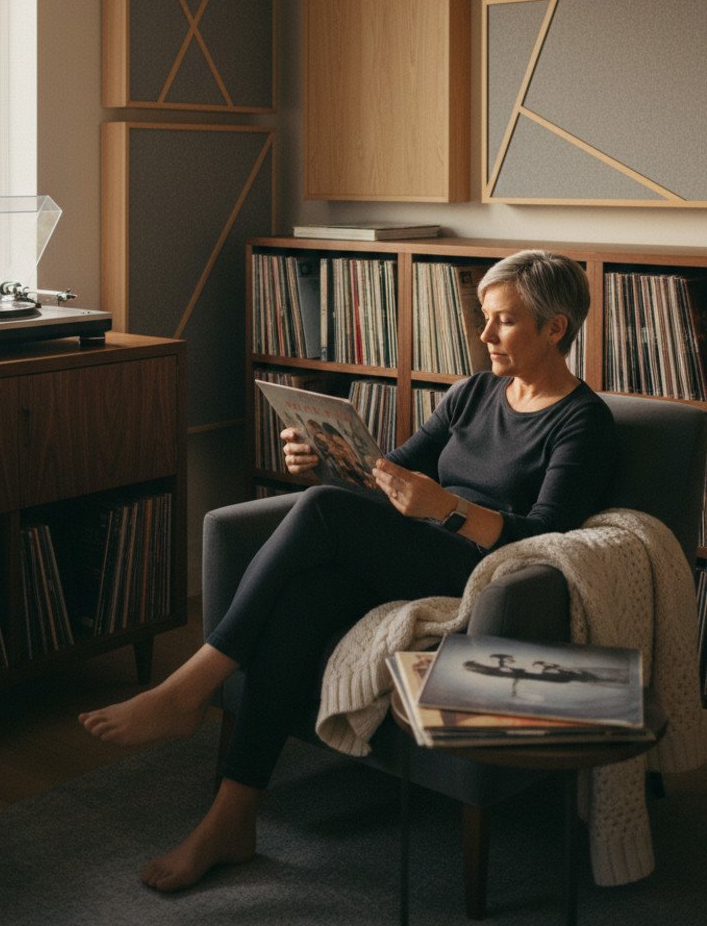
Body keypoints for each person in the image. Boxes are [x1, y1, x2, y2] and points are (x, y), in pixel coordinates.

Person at [79, 248, 616, 893]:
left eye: (502, 321)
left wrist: (446, 508)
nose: (484, 335)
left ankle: (188, 689)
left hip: (487, 576)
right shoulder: (473, 395)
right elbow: (387, 475)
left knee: (326, 513)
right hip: (418, 550)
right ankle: (232, 818)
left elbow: (544, 538)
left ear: (555, 328)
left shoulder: (584, 422)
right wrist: (324, 458)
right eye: (483, 318)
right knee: (305, 595)